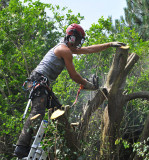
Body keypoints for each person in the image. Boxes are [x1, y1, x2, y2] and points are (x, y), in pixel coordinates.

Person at [14, 23, 126, 158]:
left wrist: (109, 44)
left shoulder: (66, 48)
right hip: (39, 81)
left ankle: (58, 149)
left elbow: (88, 50)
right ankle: (21, 147)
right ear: (72, 38)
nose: (79, 44)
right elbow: (73, 76)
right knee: (37, 112)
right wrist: (88, 84)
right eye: (78, 40)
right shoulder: (64, 50)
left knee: (59, 113)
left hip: (43, 84)